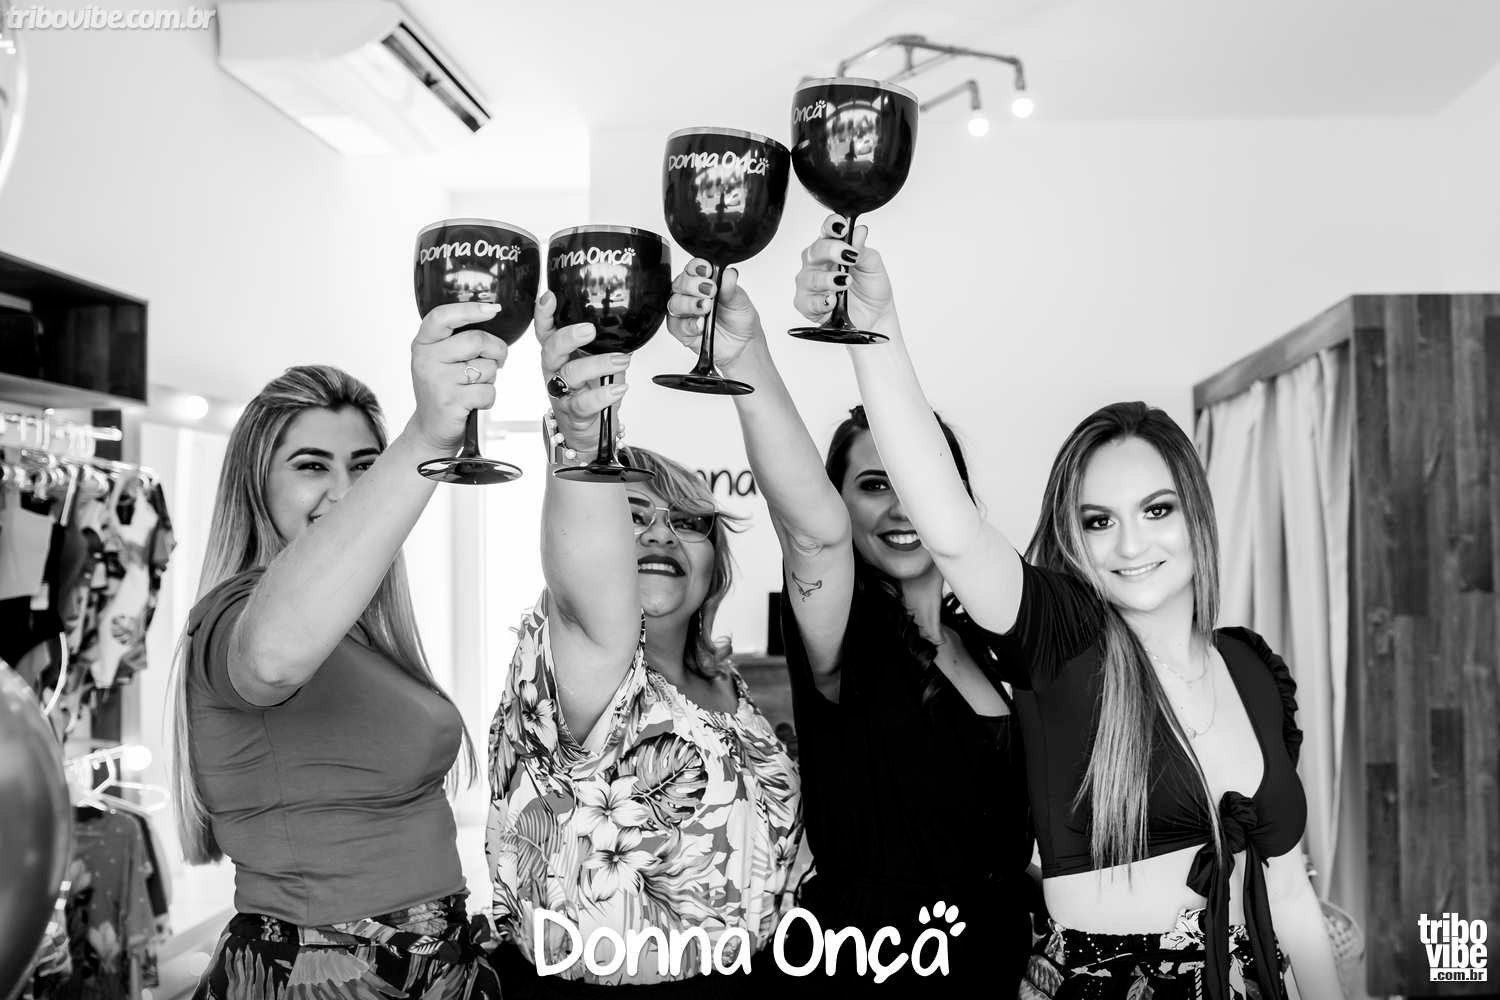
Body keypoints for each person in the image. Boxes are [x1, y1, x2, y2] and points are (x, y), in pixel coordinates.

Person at [791, 214, 1345, 1000]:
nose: (1131, 544)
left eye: (1157, 510)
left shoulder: (1250, 666)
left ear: (1196, 513)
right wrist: (877, 333)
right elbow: (954, 531)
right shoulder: (1064, 644)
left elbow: (1288, 897)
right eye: (1098, 521)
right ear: (1072, 537)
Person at [655, 259, 1034, 994]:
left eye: (919, 481)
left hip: (992, 961)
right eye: (872, 484)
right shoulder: (843, 638)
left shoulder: (989, 644)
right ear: (841, 503)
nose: (901, 507)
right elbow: (811, 533)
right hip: (874, 968)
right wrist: (745, 354)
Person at [169, 301, 509, 999]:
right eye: (311, 466)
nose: (346, 492)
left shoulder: (364, 637)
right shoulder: (232, 616)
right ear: (256, 483)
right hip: (321, 975)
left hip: (424, 967)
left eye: (364, 466)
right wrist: (425, 436)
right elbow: (271, 658)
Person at [484, 291, 804, 995]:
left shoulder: (730, 689)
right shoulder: (585, 657)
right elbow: (587, 581)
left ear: (716, 563)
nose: (661, 532)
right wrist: (580, 435)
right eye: (633, 515)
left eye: (687, 523)